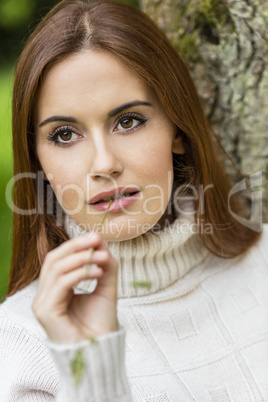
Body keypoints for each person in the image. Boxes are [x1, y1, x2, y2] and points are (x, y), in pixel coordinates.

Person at [0, 0, 267, 400]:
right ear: (38, 161)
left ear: (177, 128)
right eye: (65, 135)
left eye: (128, 121)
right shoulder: (22, 344)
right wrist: (91, 372)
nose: (104, 164)